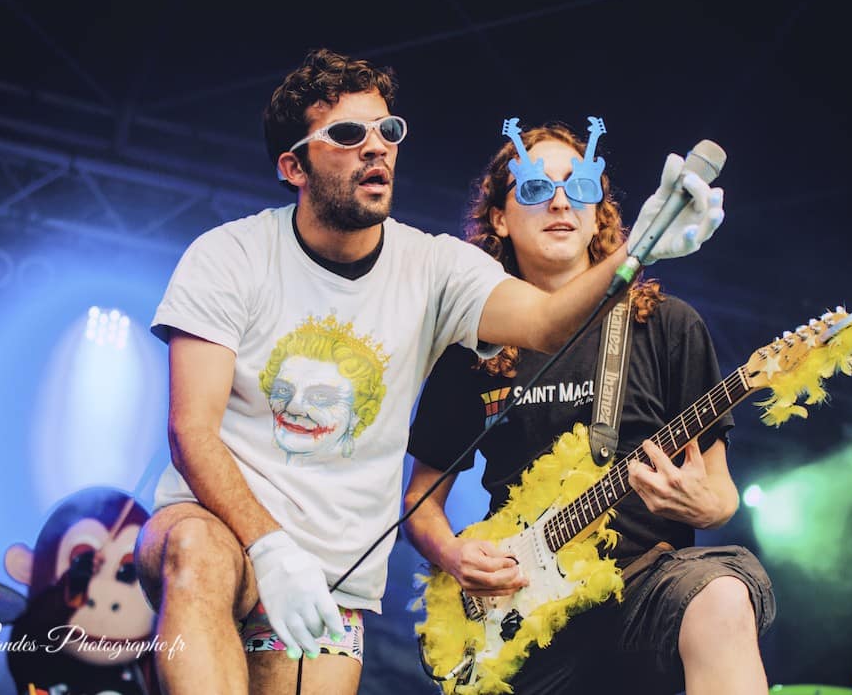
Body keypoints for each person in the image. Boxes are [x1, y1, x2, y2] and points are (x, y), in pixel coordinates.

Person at [133, 48, 725, 695]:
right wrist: (268, 547)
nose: (376, 147)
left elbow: (548, 322)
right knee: (198, 553)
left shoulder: (436, 268)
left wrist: (637, 249)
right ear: (293, 165)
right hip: (221, 529)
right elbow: (191, 431)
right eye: (348, 134)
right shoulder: (230, 255)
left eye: (387, 130)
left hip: (332, 578)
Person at [405, 120, 774, 694]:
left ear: (598, 211)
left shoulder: (668, 325)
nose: (560, 202)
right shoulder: (475, 347)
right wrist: (454, 555)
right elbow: (420, 504)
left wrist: (704, 505)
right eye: (534, 188)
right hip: (525, 609)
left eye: (579, 186)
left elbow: (721, 492)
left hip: (646, 585)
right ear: (499, 218)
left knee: (724, 597)